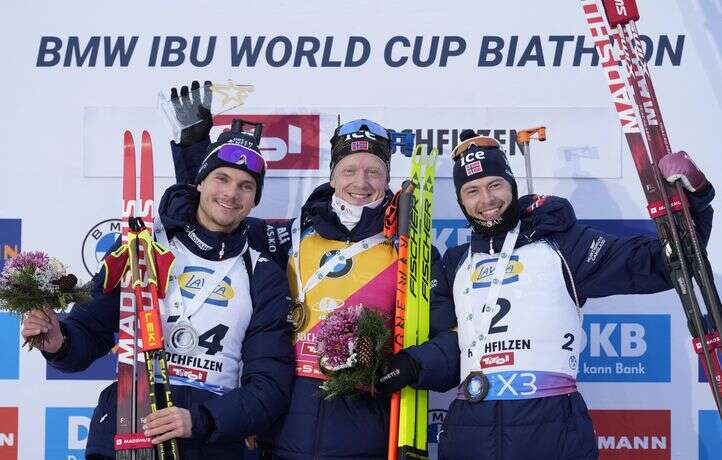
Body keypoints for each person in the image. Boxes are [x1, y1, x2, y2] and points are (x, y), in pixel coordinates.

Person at [173, 114, 459, 458]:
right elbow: (216, 217)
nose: (361, 182)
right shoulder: (287, 237)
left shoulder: (412, 250)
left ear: (387, 179)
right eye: (350, 170)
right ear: (333, 175)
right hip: (281, 430)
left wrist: (410, 365)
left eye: (373, 172)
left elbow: (452, 340)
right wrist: (195, 153)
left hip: (365, 433)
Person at [430, 129, 715, 459]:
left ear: (512, 185)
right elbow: (446, 346)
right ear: (461, 200)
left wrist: (693, 202)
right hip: (470, 431)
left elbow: (660, 262)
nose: (487, 200)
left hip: (550, 428)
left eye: (495, 185)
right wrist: (405, 365)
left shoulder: (562, 245)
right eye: (472, 191)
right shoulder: (456, 262)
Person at [21, 121, 295, 459]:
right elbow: (89, 330)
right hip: (126, 427)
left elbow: (269, 388)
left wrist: (201, 420)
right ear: (200, 182)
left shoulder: (262, 274)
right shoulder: (141, 247)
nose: (231, 194)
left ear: (255, 201)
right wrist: (60, 342)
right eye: (221, 179)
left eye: (246, 186)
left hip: (209, 442)